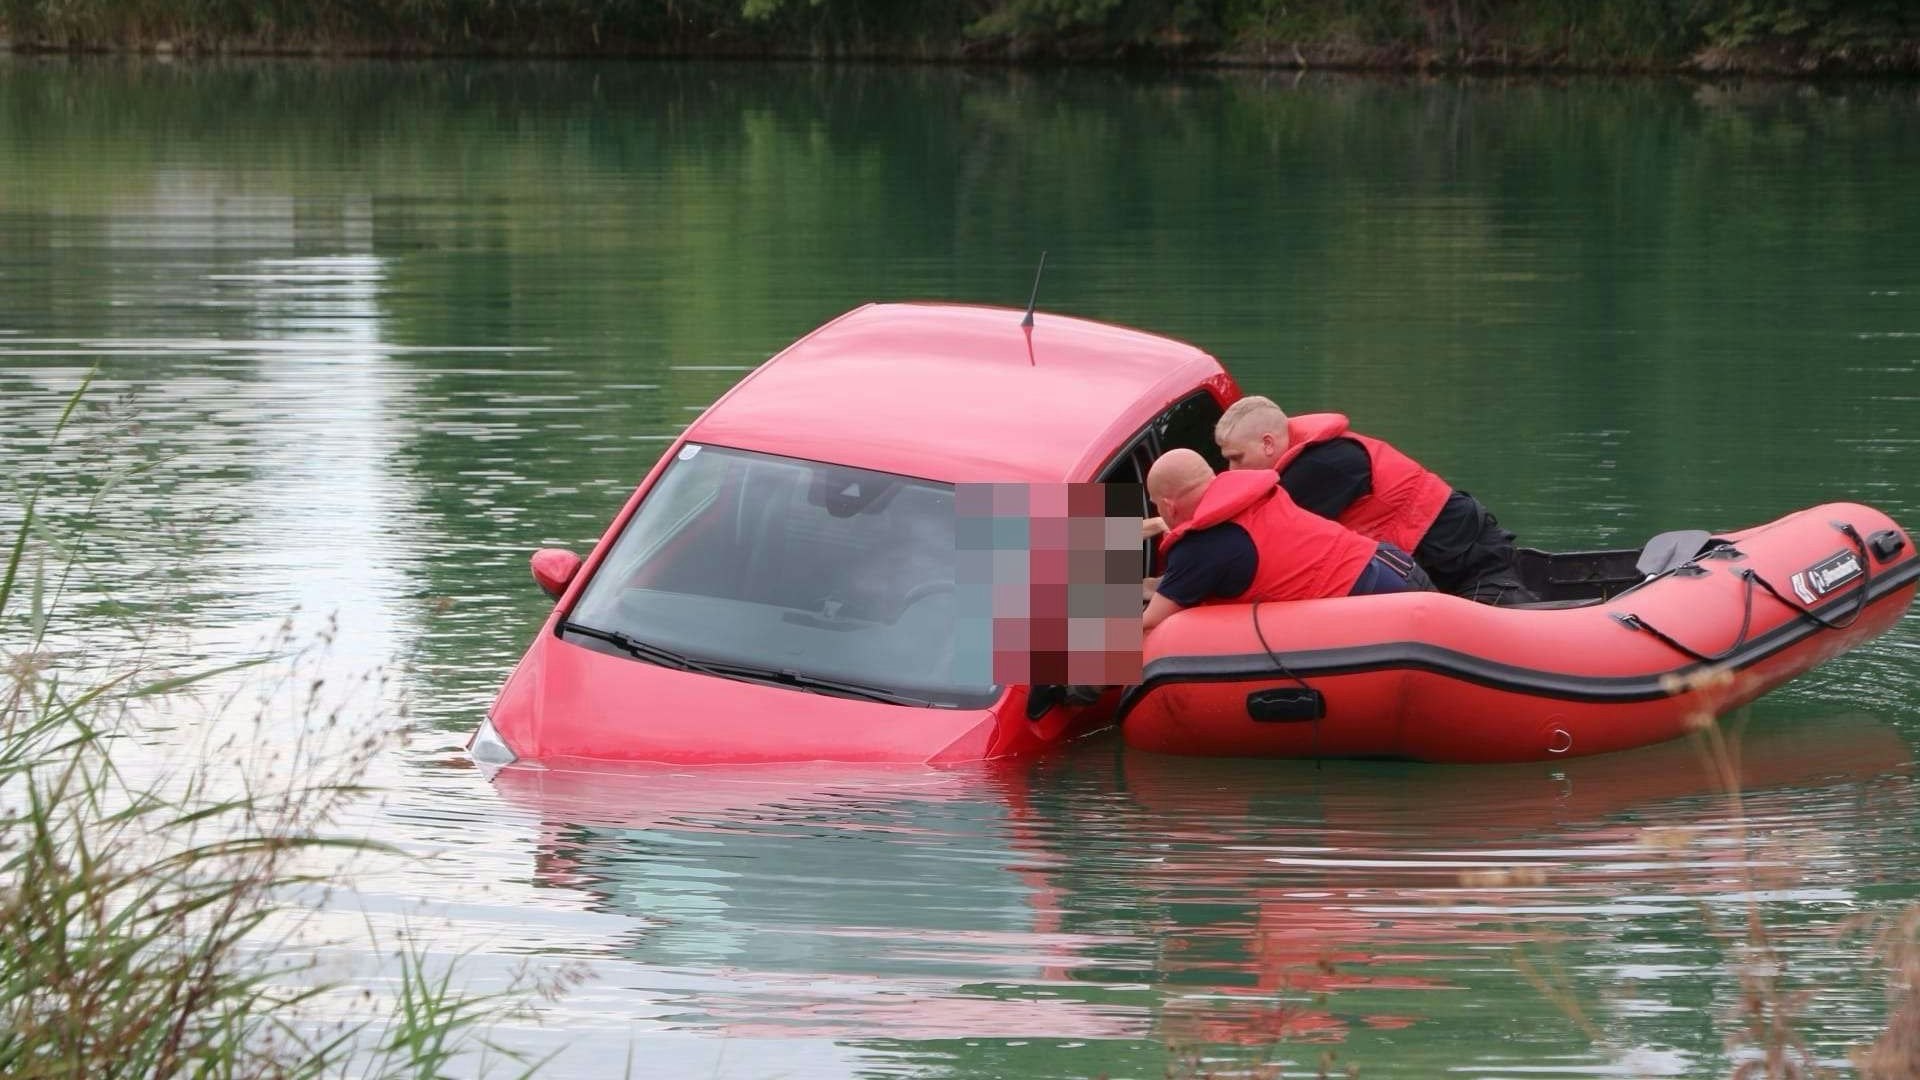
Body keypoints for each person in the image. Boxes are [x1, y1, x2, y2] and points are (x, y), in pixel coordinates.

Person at [1208, 395, 1536, 605]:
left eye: (1237, 458)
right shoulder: (1308, 461)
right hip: (1441, 558)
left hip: (1469, 563)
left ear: (1268, 444)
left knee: (1506, 636)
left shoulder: (1319, 467)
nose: (1231, 470)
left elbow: (1259, 536)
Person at [1141, 449, 1432, 633]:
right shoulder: (1255, 497)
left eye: (1156, 506)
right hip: (1395, 566)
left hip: (1375, 606)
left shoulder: (1201, 547)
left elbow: (1152, 622)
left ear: (1169, 506)